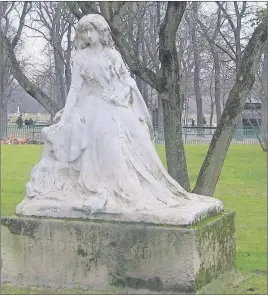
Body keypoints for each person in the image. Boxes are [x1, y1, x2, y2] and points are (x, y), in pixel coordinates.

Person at [16, 14, 222, 222]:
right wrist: (66, 114)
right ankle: (103, 187)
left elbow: (126, 82)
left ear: (101, 31)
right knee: (99, 136)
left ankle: (129, 189)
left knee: (133, 140)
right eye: (84, 32)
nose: (88, 35)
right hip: (90, 106)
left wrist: (120, 93)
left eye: (91, 30)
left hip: (115, 105)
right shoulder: (80, 58)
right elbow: (75, 88)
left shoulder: (112, 56)